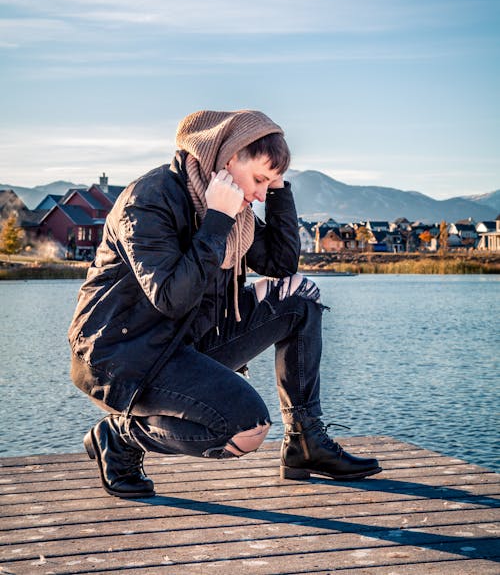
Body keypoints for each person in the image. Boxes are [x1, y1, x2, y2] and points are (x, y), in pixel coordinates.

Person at [68, 109, 381, 498]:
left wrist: (279, 186)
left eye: (271, 182)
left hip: (188, 338)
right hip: (127, 354)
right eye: (259, 180)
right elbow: (171, 297)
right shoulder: (149, 201)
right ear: (229, 158)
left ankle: (305, 441)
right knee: (244, 428)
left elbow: (281, 263)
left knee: (299, 299)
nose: (260, 194)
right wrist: (217, 218)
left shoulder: (236, 207)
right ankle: (120, 438)